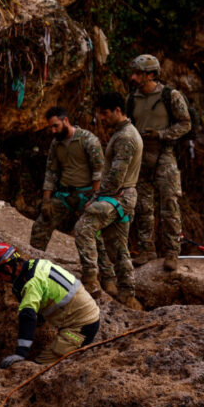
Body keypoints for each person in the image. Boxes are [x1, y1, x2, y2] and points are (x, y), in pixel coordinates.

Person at [29, 107, 117, 296]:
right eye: (50, 127)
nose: (52, 130)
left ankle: (101, 279)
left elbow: (98, 171)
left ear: (66, 120)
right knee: (40, 226)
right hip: (65, 195)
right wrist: (46, 201)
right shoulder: (56, 144)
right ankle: (34, 266)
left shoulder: (88, 140)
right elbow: (51, 172)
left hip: (87, 194)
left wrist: (94, 199)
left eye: (55, 126)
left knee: (94, 235)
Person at [73, 92, 142, 307]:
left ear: (118, 111)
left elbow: (115, 176)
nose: (101, 119)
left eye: (104, 114)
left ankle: (91, 281)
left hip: (118, 197)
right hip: (123, 196)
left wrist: (96, 198)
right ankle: (127, 295)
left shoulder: (125, 138)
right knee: (118, 245)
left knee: (83, 228)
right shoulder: (123, 133)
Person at [0, 243, 101, 368]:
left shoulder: (31, 284)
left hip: (79, 329)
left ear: (7, 268)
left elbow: (28, 316)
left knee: (40, 368)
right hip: (86, 315)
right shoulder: (38, 264)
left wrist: (20, 354)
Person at [126, 54, 191, 271]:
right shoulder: (132, 99)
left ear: (151, 74)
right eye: (133, 73)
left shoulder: (169, 96)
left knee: (169, 204)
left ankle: (172, 251)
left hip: (164, 155)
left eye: (138, 73)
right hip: (141, 157)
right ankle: (147, 249)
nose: (134, 77)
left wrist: (162, 134)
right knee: (143, 206)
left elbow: (185, 124)